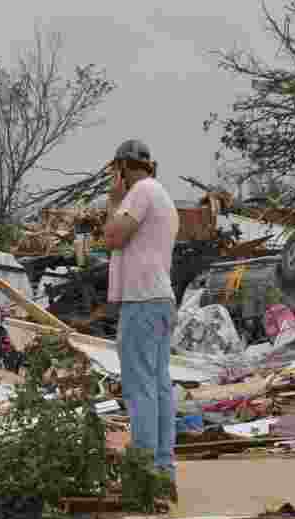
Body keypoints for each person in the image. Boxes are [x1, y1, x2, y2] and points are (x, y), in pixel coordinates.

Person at [103, 139, 180, 489]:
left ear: (122, 167)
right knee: (159, 386)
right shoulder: (161, 194)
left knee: (139, 388)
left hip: (142, 301)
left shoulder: (140, 192)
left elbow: (113, 237)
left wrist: (114, 201)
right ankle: (162, 469)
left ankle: (143, 472)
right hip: (160, 299)